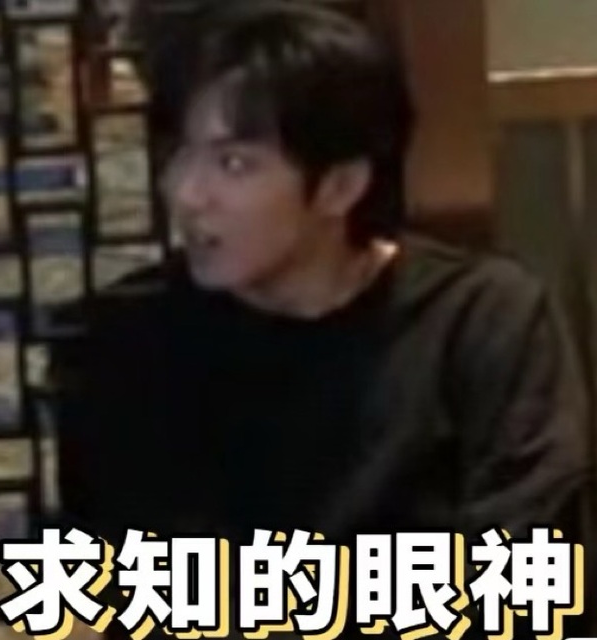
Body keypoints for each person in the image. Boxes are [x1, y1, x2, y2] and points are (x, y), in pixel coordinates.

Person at [48, 1, 591, 637]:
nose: (187, 194)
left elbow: (527, 580)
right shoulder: (120, 342)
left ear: (340, 187)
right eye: (182, 155)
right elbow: (111, 589)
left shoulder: (478, 320)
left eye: (234, 164)